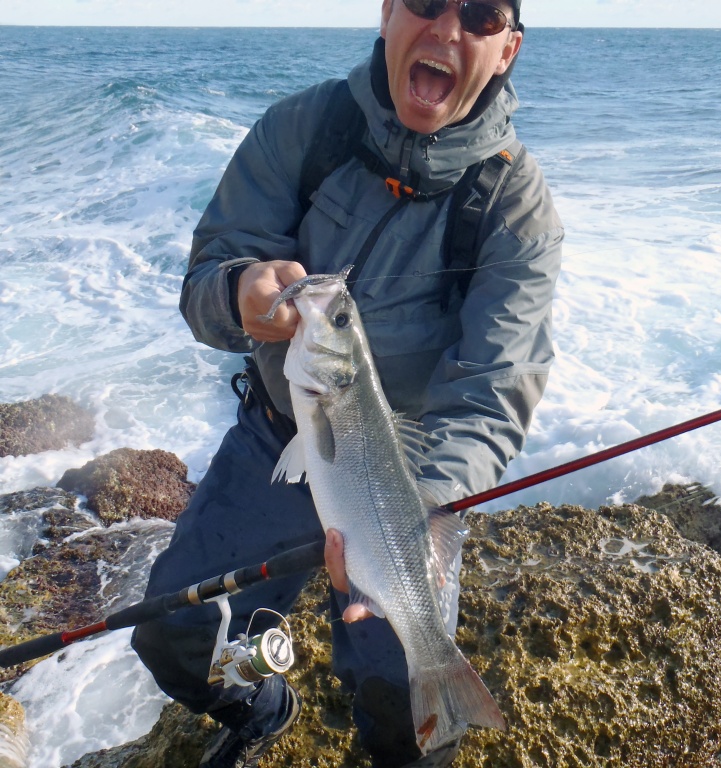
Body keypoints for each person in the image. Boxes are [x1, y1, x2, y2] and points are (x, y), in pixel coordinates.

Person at [132, 0, 563, 766]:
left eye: (480, 14)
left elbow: (495, 388)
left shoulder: (515, 205)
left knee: (408, 723)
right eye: (424, 3)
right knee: (175, 641)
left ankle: (407, 696)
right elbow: (207, 278)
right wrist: (241, 295)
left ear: (508, 51)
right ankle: (268, 697)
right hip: (278, 439)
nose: (446, 29)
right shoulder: (304, 129)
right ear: (389, 14)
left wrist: (415, 514)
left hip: (404, 483)